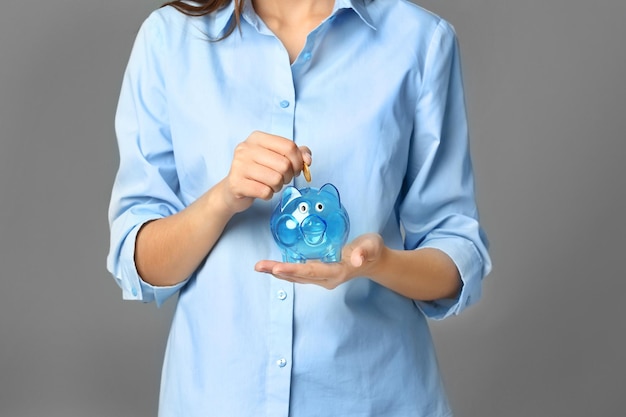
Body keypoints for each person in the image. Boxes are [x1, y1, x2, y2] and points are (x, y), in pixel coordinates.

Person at [107, 0, 492, 415]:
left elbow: (456, 254)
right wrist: (222, 198)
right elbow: (141, 264)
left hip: (374, 399)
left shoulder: (420, 41)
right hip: (217, 400)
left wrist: (376, 264)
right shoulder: (169, 40)